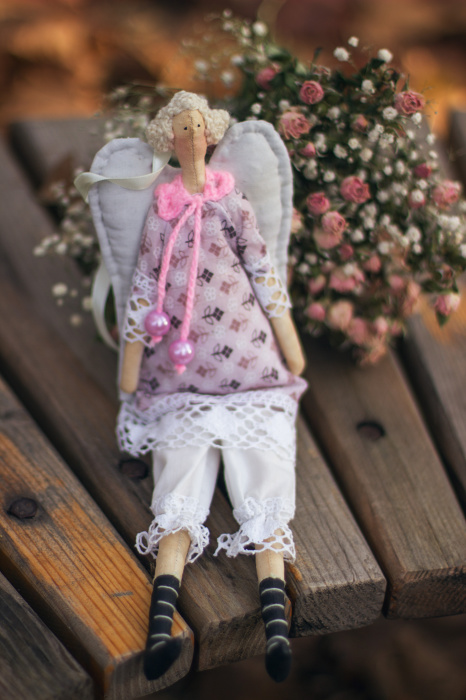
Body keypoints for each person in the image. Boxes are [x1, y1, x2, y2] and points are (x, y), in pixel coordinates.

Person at [118, 91, 306, 682]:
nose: (192, 136)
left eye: (199, 126)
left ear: (212, 134)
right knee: (178, 487)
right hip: (181, 376)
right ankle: (160, 625)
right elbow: (144, 283)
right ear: (170, 142)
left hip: (249, 365)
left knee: (265, 481)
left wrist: (287, 340)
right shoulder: (163, 209)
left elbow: (262, 269)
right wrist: (130, 361)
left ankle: (276, 623)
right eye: (183, 129)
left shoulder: (232, 201)